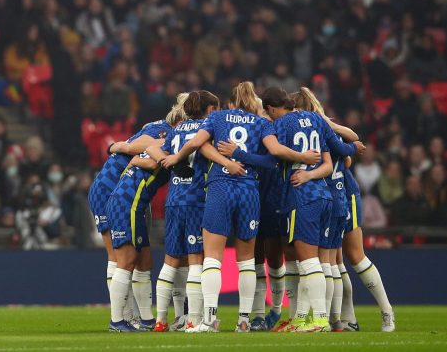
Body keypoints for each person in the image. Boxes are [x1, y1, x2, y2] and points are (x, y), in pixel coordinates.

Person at [179, 81, 316, 333]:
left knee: (212, 258)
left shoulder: (218, 117)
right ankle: (244, 320)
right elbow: (272, 158)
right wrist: (303, 157)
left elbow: (199, 143)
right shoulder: (262, 123)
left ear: (230, 103)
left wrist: (223, 161)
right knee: (246, 261)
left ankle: (210, 320)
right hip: (249, 191)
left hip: (220, 187)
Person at [255, 87, 359, 333]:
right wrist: (354, 149)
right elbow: (331, 159)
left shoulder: (278, 125)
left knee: (308, 262)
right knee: (313, 264)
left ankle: (320, 320)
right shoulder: (314, 119)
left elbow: (274, 152)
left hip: (300, 197)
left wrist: (237, 154)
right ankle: (303, 319)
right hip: (323, 195)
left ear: (270, 109)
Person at [292, 88, 396, 333]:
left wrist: (328, 124)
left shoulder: (322, 128)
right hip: (326, 196)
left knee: (354, 256)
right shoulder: (314, 132)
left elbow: (351, 145)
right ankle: (343, 319)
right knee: (334, 262)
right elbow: (349, 154)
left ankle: (386, 312)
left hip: (343, 193)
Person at [102, 94, 187, 332]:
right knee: (126, 261)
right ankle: (117, 321)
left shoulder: (167, 141)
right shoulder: (168, 139)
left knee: (144, 261)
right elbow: (149, 155)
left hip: (134, 204)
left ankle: (146, 320)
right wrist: (167, 160)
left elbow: (146, 155)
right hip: (126, 202)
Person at [152, 90, 220, 332]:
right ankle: (194, 318)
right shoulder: (207, 128)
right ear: (208, 109)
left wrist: (168, 160)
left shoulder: (177, 129)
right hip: (196, 198)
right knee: (195, 259)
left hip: (173, 199)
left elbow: (160, 152)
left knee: (170, 261)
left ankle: (160, 320)